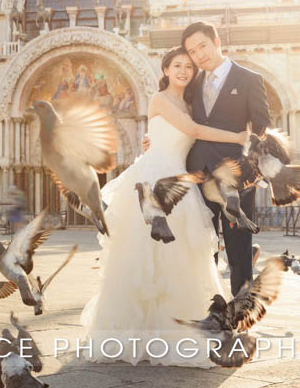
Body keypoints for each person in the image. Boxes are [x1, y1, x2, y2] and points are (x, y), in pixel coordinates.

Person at [80, 46, 250, 366]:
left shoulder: (190, 103)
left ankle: (180, 329)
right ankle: (140, 333)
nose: (183, 71)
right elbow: (195, 131)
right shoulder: (159, 100)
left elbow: (189, 138)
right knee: (144, 259)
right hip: (155, 180)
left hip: (178, 184)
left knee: (183, 256)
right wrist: (237, 137)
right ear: (166, 70)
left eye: (188, 66)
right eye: (177, 65)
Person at [180, 21, 271, 296]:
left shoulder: (249, 79)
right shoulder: (192, 84)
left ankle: (242, 307)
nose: (198, 55)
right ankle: (211, 304)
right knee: (203, 242)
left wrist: (250, 167)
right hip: (199, 173)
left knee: (239, 245)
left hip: (236, 177)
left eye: (202, 46)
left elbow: (261, 126)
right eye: (192, 51)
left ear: (216, 41)